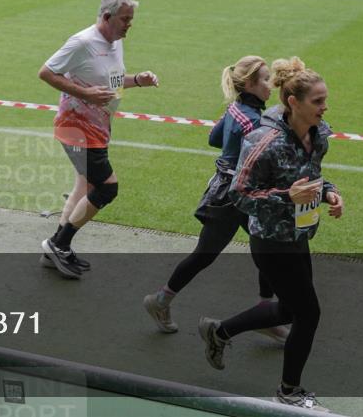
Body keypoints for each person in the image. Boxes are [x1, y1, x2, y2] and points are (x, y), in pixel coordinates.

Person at [198, 57, 344, 412]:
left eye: (325, 100)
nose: (326, 108)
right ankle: (289, 391)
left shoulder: (319, 134)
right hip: (270, 241)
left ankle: (220, 331)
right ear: (294, 102)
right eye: (318, 101)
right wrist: (285, 197)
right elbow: (239, 193)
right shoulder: (264, 140)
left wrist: (328, 192)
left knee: (288, 311)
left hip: (298, 233)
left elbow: (313, 175)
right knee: (308, 314)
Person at [144, 56, 283, 342]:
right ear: (250, 84)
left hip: (229, 192)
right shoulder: (254, 120)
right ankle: (160, 301)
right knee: (208, 255)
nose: (272, 85)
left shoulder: (237, 109)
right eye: (266, 79)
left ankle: (265, 313)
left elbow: (214, 138)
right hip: (233, 198)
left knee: (269, 251)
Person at [38, 0, 158, 279]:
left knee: (83, 186)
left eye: (131, 19)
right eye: (125, 19)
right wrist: (84, 93)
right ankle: (58, 244)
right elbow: (46, 72)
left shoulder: (115, 43)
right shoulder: (82, 42)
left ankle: (54, 251)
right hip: (76, 129)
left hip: (98, 128)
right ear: (107, 17)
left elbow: (111, 82)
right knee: (106, 188)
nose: (130, 24)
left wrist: (137, 81)